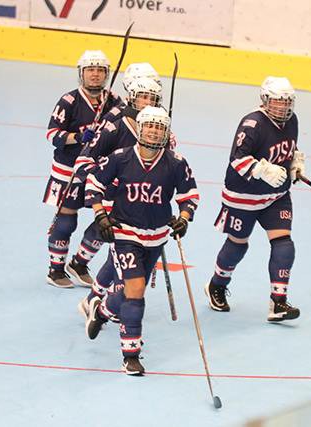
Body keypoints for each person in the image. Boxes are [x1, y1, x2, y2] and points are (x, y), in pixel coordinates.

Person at [83, 106, 199, 375]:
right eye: (150, 126)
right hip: (125, 234)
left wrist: (183, 218)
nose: (154, 131)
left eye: (160, 127)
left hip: (156, 237)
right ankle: (131, 354)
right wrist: (101, 216)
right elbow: (93, 185)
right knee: (136, 289)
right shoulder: (120, 158)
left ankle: (102, 312)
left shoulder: (176, 162)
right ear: (140, 128)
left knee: (126, 294)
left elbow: (189, 195)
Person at [204, 76, 306, 322]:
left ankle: (278, 302)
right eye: (277, 101)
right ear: (265, 100)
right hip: (243, 195)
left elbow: (289, 149)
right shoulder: (252, 123)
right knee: (238, 245)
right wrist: (265, 170)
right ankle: (216, 284)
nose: (282, 107)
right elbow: (238, 159)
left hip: (275, 196)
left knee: (284, 244)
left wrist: (295, 164)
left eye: (286, 102)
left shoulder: (292, 121)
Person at [74, 76, 166, 319]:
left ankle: (93, 299)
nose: (148, 102)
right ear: (132, 98)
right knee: (122, 256)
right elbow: (84, 162)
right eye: (143, 97)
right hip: (114, 203)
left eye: (153, 98)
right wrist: (106, 181)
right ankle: (111, 305)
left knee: (117, 255)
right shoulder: (115, 125)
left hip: (139, 203)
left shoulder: (156, 128)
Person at [43, 50, 120, 289]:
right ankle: (55, 269)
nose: (95, 75)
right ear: (81, 73)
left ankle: (79, 263)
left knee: (105, 220)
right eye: (90, 70)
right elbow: (52, 134)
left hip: (100, 171)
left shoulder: (115, 101)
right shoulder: (69, 101)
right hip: (69, 170)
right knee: (66, 221)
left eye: (100, 70)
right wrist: (78, 137)